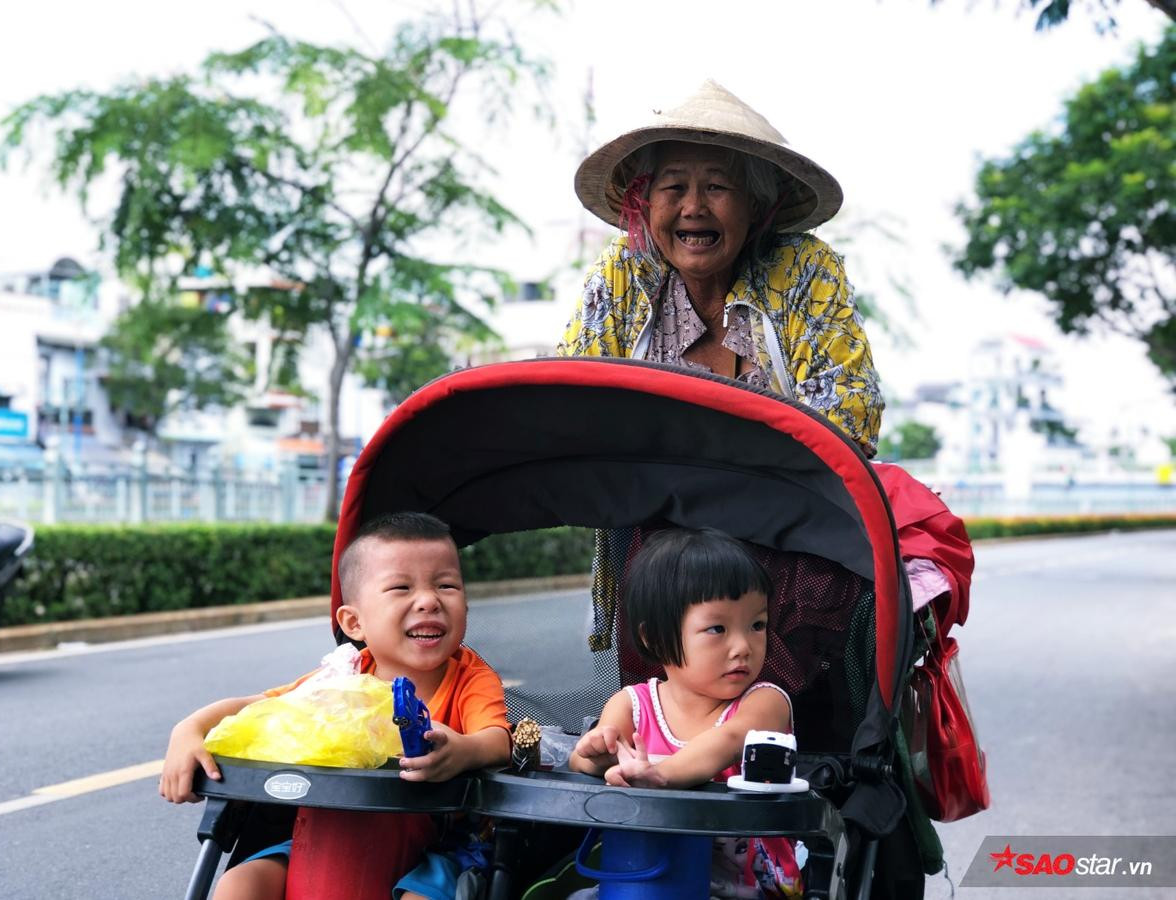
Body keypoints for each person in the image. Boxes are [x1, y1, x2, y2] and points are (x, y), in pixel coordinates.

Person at [558, 80, 884, 651]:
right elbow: (570, 402)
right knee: (660, 619)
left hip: (791, 534)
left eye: (717, 187)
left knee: (789, 670)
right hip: (661, 550)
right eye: (673, 187)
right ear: (645, 202)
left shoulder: (804, 267)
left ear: (757, 206)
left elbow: (851, 418)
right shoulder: (622, 273)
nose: (692, 207)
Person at [159, 512, 512, 900]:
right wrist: (189, 729)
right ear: (354, 623)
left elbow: (496, 740)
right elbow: (257, 706)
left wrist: (462, 750)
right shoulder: (341, 677)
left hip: (434, 848)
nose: (429, 600)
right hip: (326, 835)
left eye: (446, 585)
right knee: (240, 884)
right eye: (400, 587)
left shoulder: (469, 677)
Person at [569, 528, 803, 899]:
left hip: (744, 887)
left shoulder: (764, 703)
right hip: (647, 875)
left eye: (757, 625)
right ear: (654, 638)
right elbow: (584, 761)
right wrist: (600, 757)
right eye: (717, 628)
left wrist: (661, 775)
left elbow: (726, 741)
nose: (743, 646)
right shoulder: (631, 704)